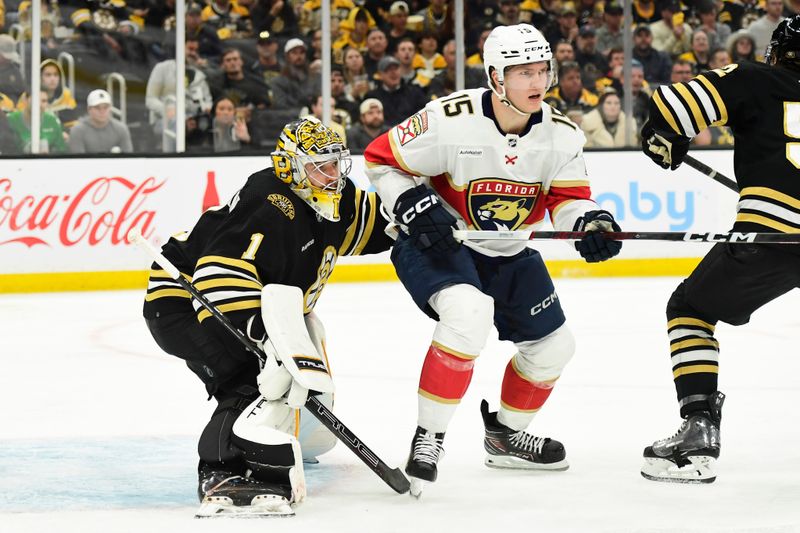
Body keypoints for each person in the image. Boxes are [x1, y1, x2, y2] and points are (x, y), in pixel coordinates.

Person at [363, 23, 622, 496]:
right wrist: (409, 203)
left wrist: (590, 223)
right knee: (469, 313)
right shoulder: (449, 118)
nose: (537, 82)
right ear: (496, 78)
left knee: (554, 347)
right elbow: (381, 160)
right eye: (523, 72)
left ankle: (503, 436)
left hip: (509, 251)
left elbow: (568, 200)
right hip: (441, 243)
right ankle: (429, 438)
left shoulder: (561, 135)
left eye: (542, 69)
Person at [143, 117, 393, 516]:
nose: (333, 175)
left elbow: (374, 222)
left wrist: (418, 219)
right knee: (248, 378)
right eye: (320, 166)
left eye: (335, 164)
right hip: (183, 303)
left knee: (277, 375)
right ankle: (220, 471)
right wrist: (266, 340)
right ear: (291, 166)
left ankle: (288, 441)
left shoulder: (328, 196)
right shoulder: (269, 201)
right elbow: (217, 275)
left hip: (229, 300)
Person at [639, 15, 800, 484]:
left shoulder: (755, 77)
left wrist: (663, 136)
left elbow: (672, 104)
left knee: (689, 309)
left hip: (772, 234)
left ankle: (698, 431)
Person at [68, 90, 133, 154]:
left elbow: (129, 158)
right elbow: (77, 161)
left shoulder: (121, 129)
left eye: (105, 107)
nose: (102, 111)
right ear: (89, 110)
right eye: (97, 108)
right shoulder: (77, 131)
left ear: (110, 108)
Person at [6, 90, 68, 154]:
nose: (39, 105)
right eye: (35, 100)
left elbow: (61, 150)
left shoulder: (52, 120)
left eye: (44, 101)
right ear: (25, 100)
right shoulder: (10, 120)